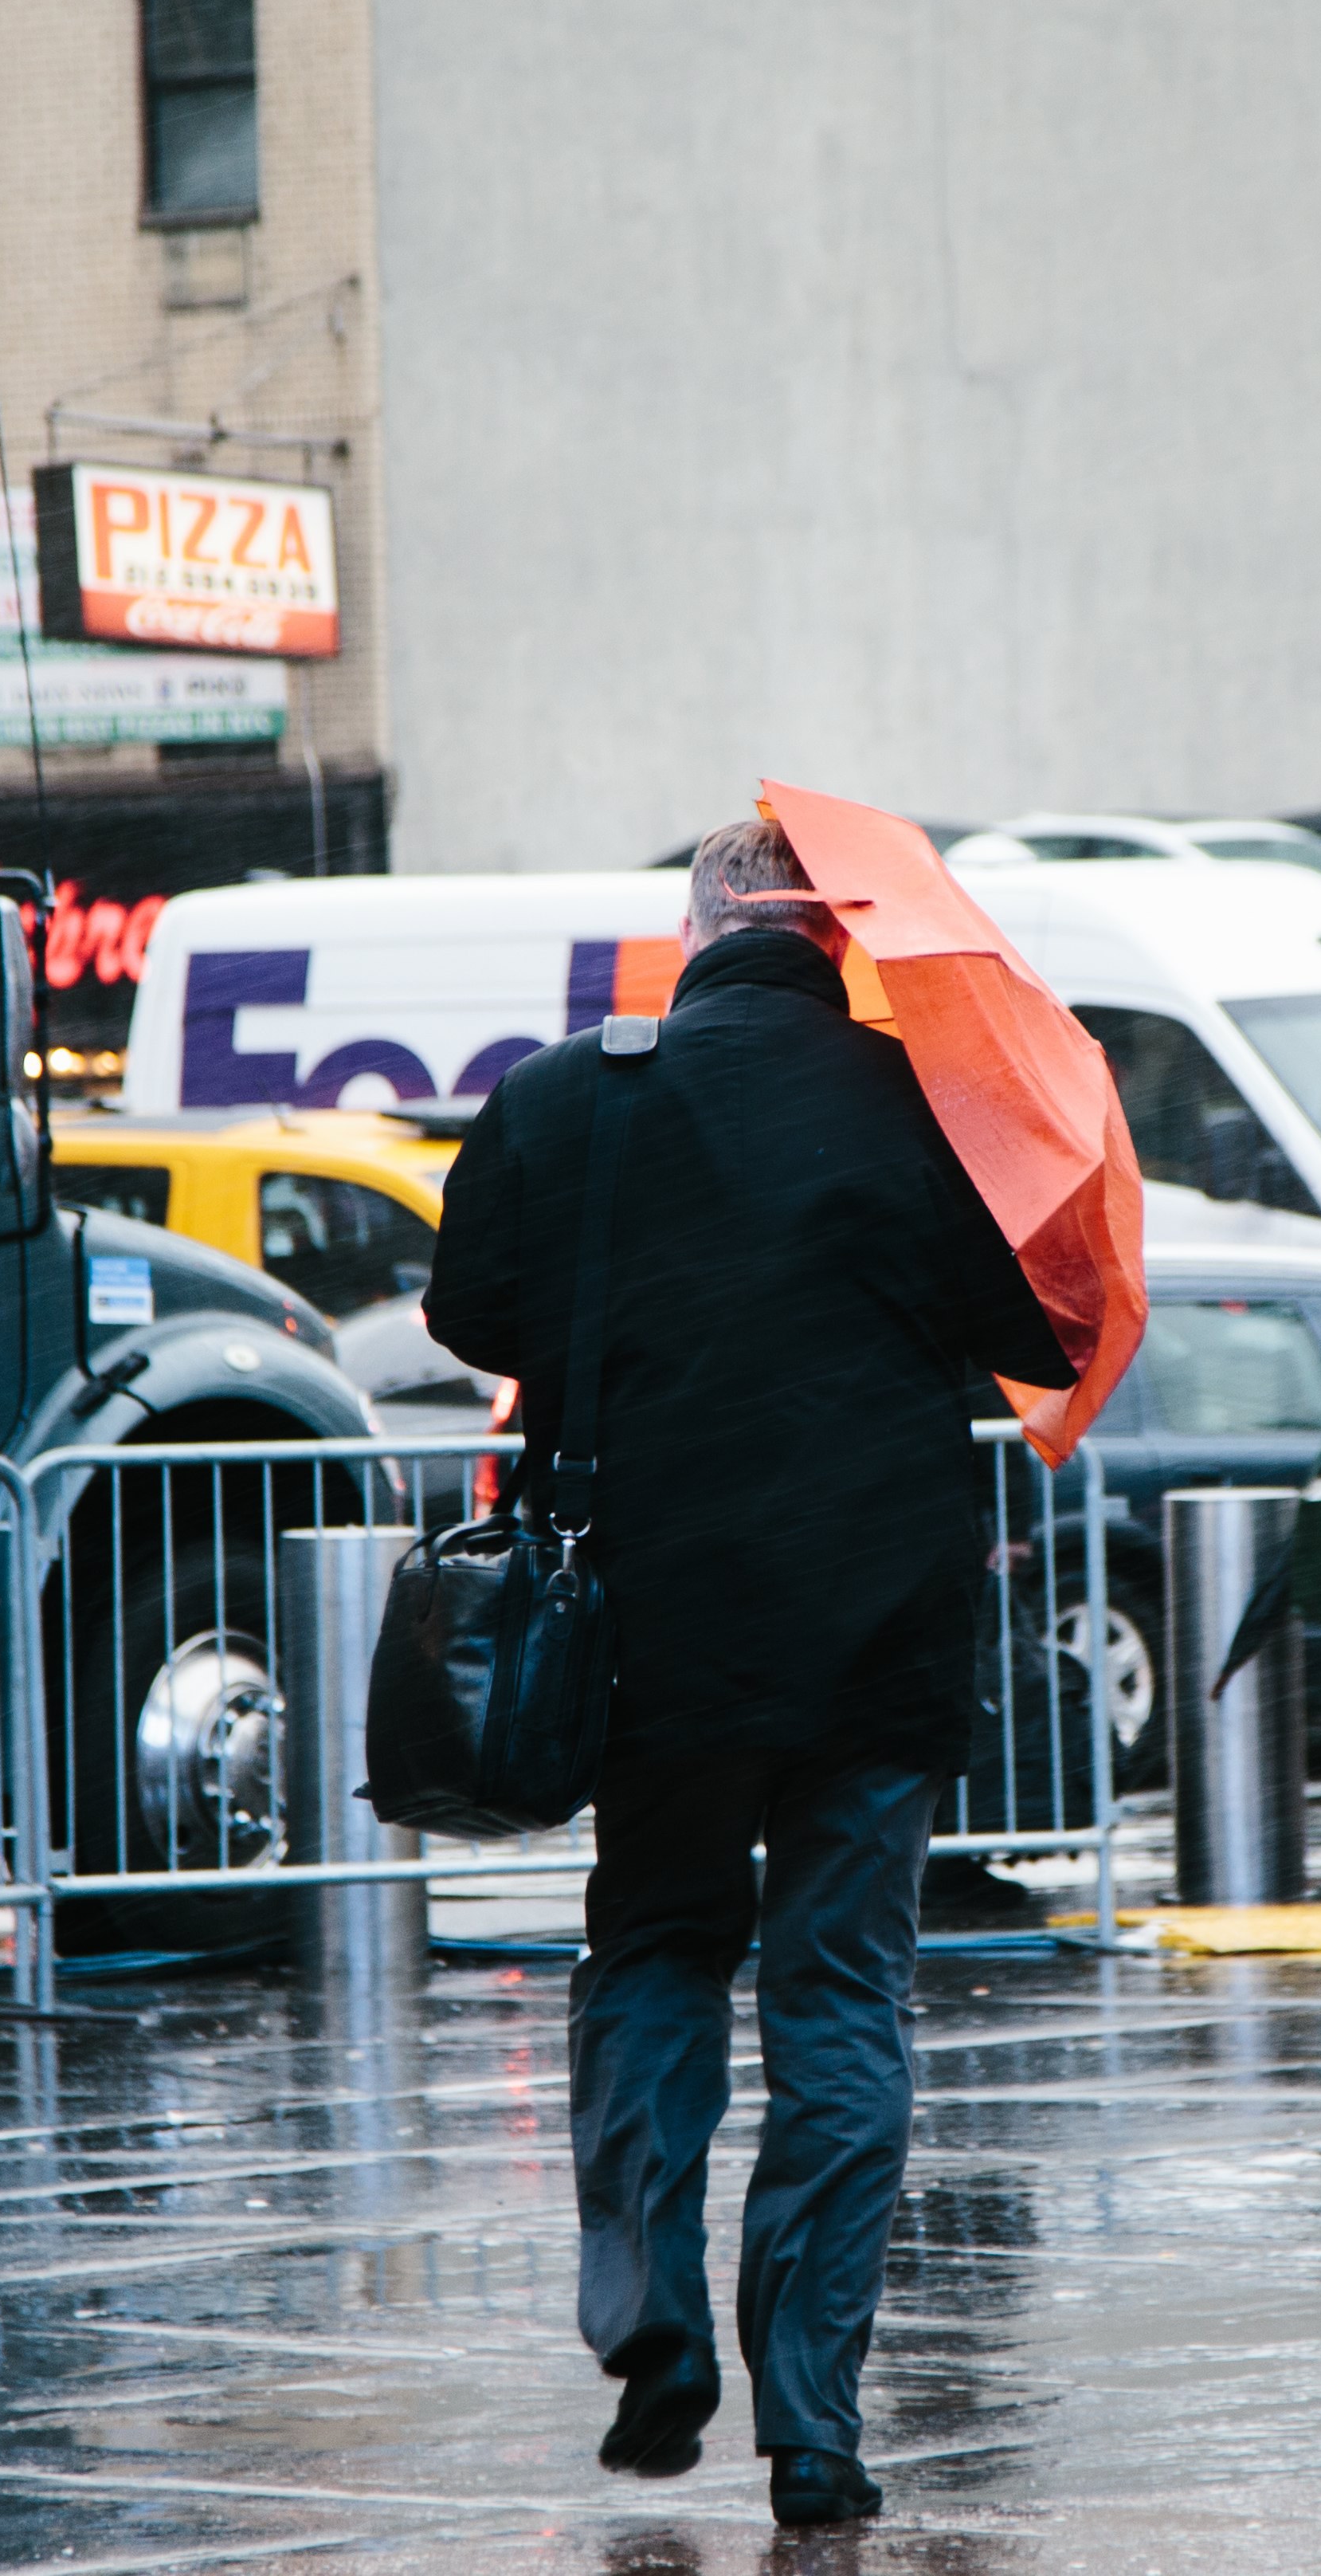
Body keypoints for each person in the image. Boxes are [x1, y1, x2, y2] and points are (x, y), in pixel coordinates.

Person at [425, 817, 1078, 2531]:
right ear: (839, 935)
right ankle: (814, 2427)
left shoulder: (565, 1098)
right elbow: (1037, 1332)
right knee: (842, 2000)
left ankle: (649, 2308)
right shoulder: (931, 1105)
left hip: (658, 1630)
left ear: (702, 923)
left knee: (654, 1947)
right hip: (880, 1635)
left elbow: (472, 1312)